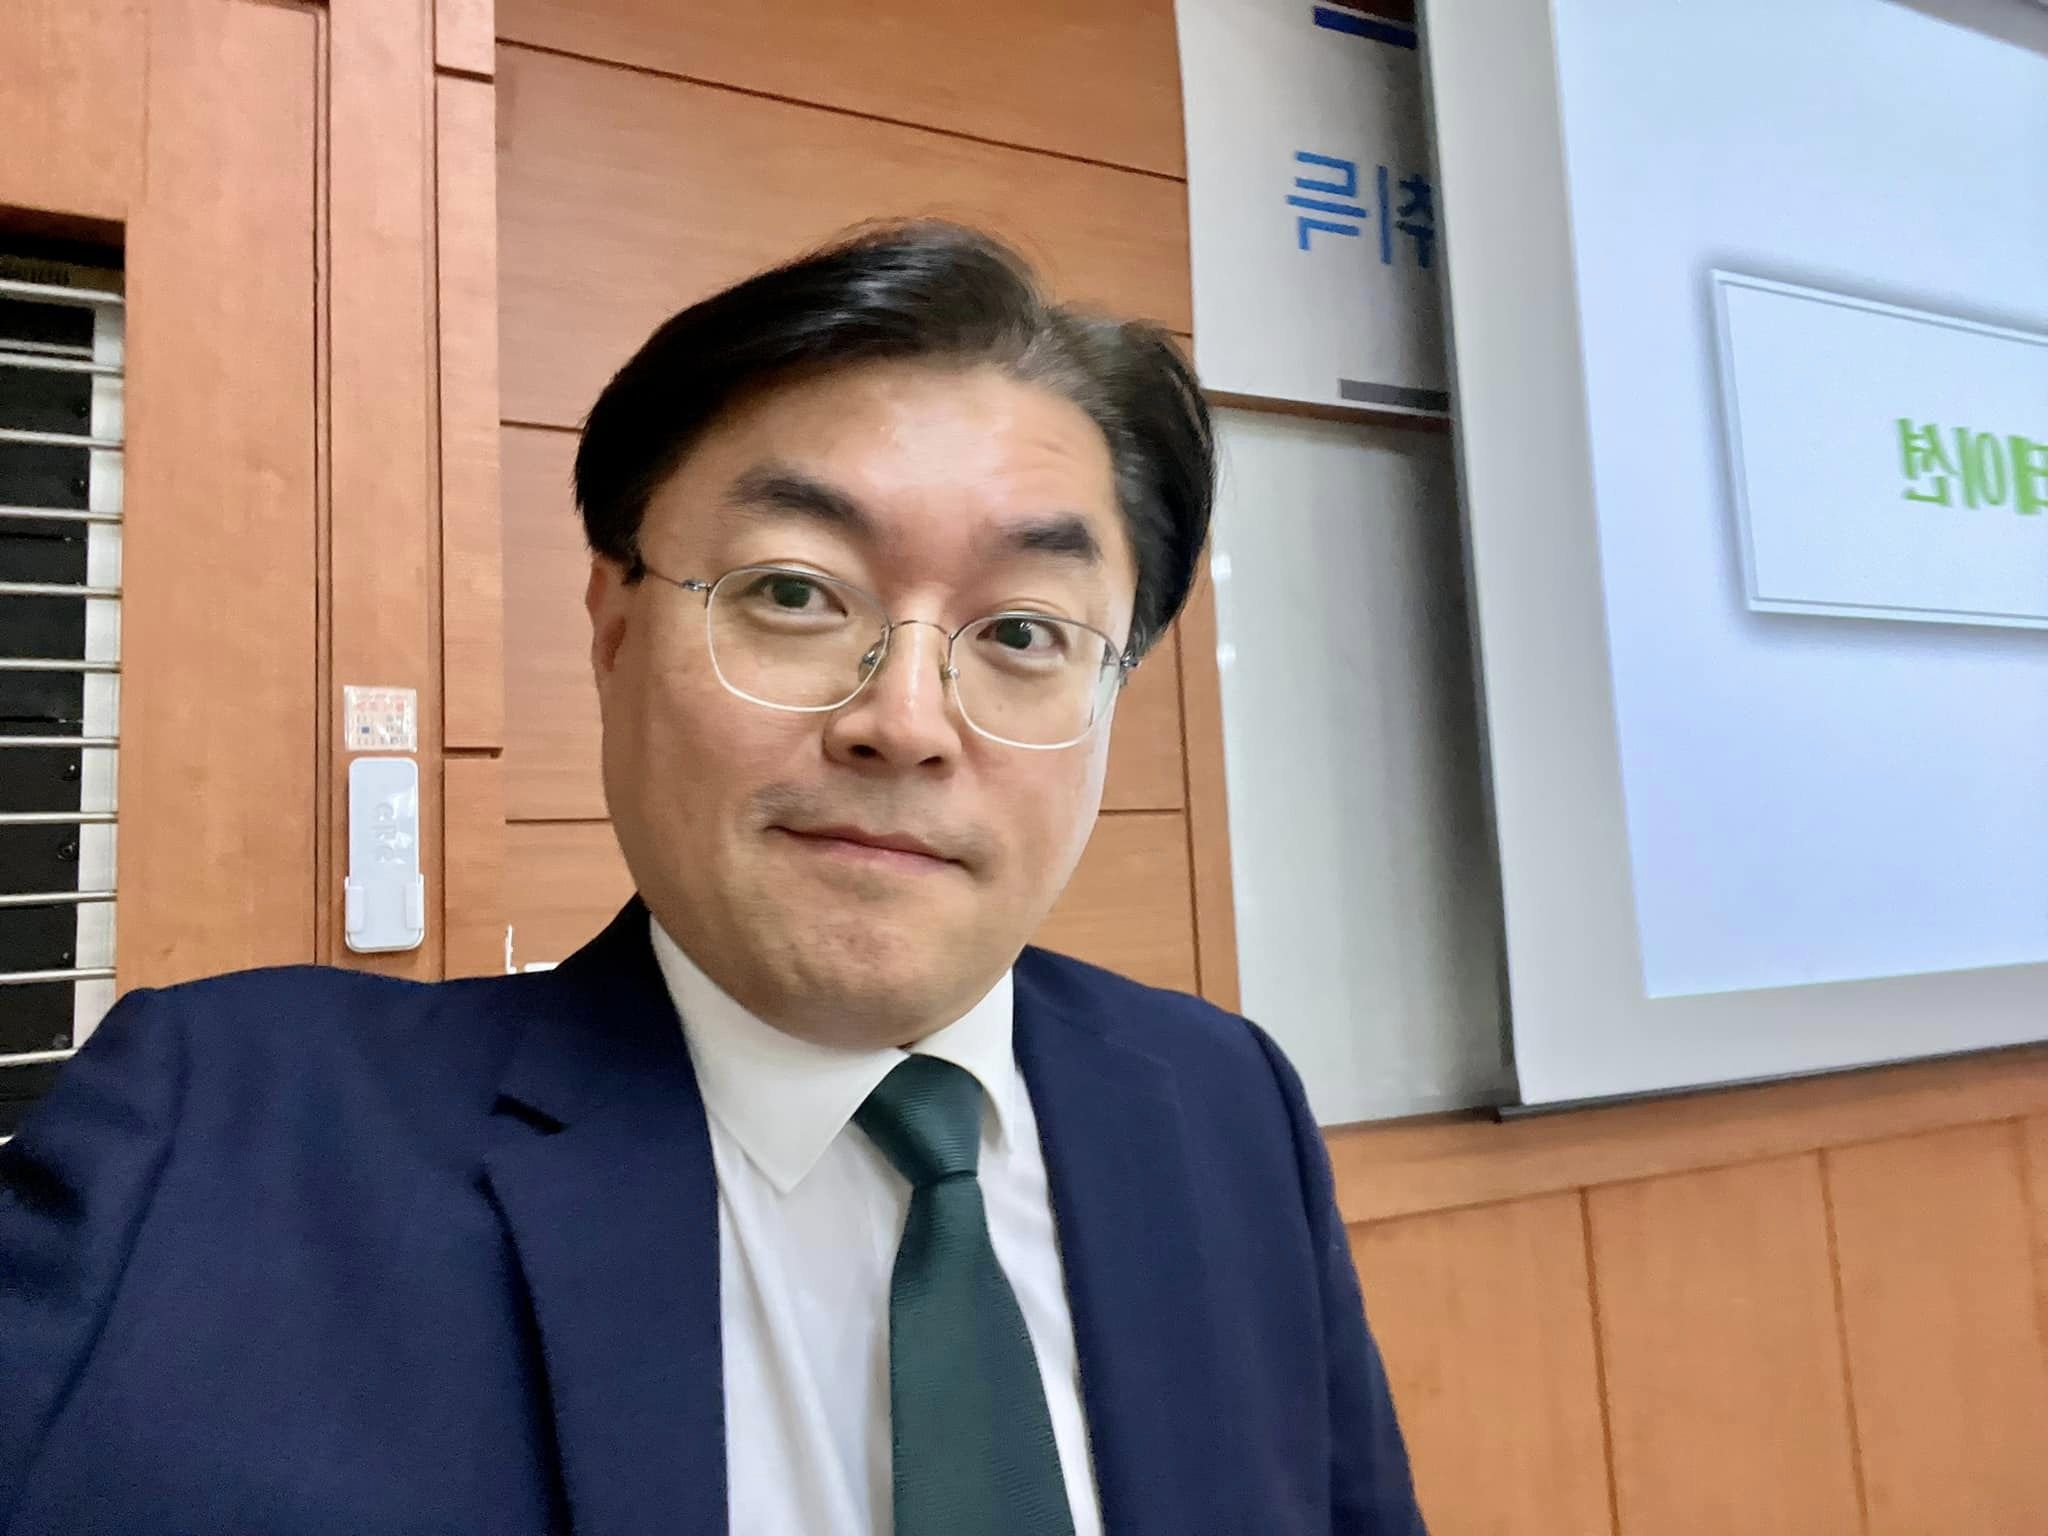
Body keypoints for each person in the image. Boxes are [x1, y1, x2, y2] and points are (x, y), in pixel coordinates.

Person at [0, 223, 1426, 1536]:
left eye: (1024, 633)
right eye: (794, 592)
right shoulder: (215, 1144)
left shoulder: (1225, 1106)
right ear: (614, 628)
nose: (906, 723)